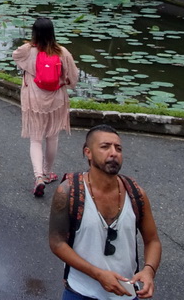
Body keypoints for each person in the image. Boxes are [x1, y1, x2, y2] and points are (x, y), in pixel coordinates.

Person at [49, 125, 161, 299]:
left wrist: (149, 271)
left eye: (118, 148)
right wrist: (98, 274)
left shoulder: (136, 194)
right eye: (105, 147)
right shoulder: (68, 192)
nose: (113, 153)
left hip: (127, 293)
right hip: (80, 292)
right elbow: (57, 243)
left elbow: (152, 240)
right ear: (88, 152)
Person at [12, 17, 79, 196]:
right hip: (56, 100)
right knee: (52, 137)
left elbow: (15, 55)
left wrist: (31, 44)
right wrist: (64, 81)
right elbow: (73, 79)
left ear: (35, 32)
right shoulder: (63, 52)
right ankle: (48, 173)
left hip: (34, 99)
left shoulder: (28, 51)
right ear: (52, 32)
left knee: (36, 139)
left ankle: (38, 177)